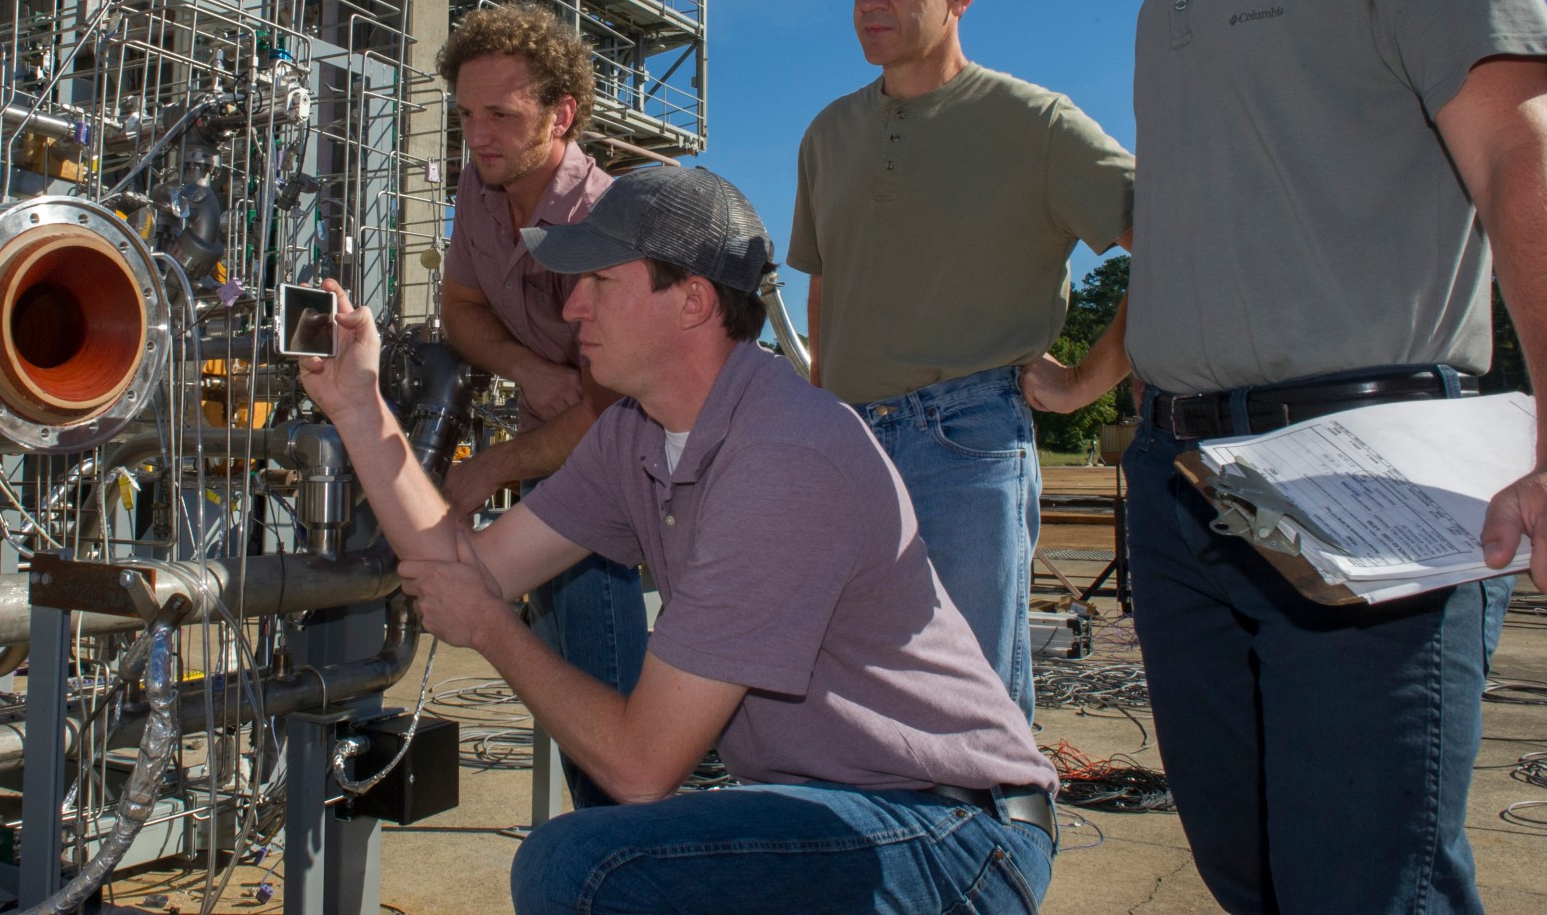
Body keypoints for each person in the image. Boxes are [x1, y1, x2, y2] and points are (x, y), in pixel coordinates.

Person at [989, 0, 1547, 915]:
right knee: (1247, 870)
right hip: (1179, 494)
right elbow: (1183, 236)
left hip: (1366, 461)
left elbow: (1518, 155)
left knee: (1360, 882)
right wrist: (1087, 376)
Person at [301, 166, 1059, 915]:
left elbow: (640, 766)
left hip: (955, 832)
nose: (570, 308)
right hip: (831, 808)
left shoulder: (785, 456)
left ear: (692, 301)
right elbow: (465, 569)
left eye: (598, 281)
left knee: (582, 867)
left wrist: (492, 630)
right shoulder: (633, 432)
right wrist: (359, 408)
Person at [789, 0, 1135, 721]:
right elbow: (826, 284)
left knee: (972, 702)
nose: (869, 1)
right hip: (850, 444)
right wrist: (817, 417)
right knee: (856, 693)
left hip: (969, 439)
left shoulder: (1037, 123)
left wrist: (1088, 383)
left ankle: (1004, 847)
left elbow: (1172, 240)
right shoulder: (827, 134)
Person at [433, 1, 647, 809]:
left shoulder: (606, 217)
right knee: (562, 686)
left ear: (562, 114)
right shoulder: (480, 186)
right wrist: (528, 368)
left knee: (602, 698)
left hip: (619, 470)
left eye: (500, 114)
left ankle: (623, 847)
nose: (478, 134)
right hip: (550, 459)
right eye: (465, 116)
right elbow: (460, 310)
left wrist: (491, 466)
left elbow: (608, 411)